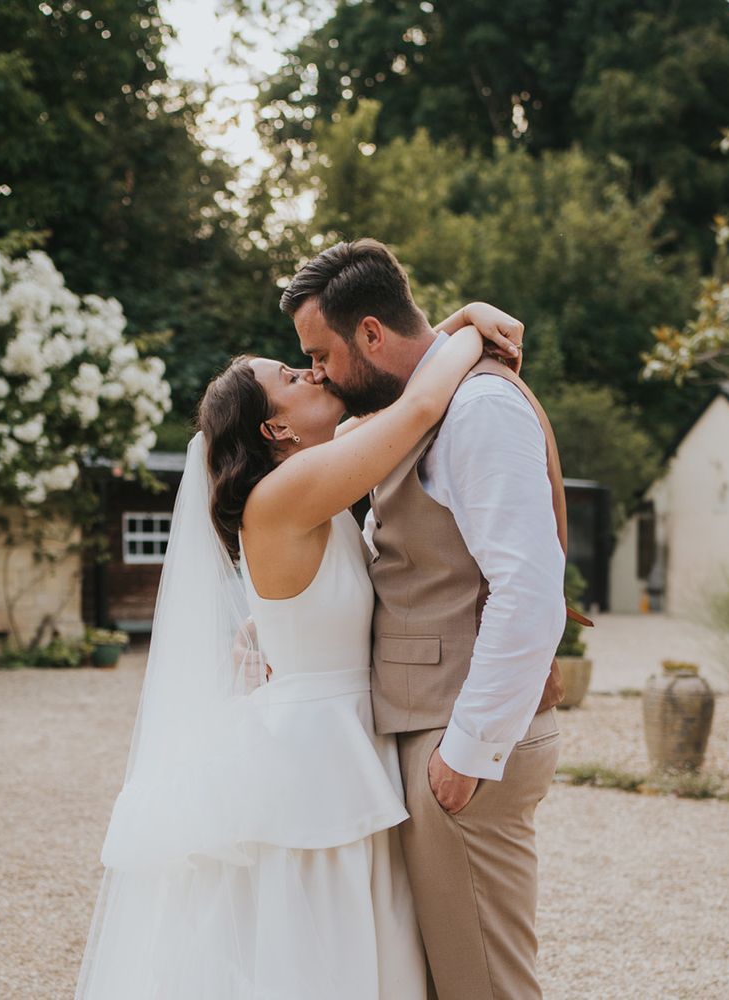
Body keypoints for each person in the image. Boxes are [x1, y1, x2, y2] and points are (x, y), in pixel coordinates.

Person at [74, 302, 524, 1000]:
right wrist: (468, 331)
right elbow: (422, 403)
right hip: (317, 756)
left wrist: (444, 325)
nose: (314, 372)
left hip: (343, 735)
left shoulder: (303, 476)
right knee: (323, 952)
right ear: (275, 427)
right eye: (292, 374)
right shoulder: (286, 493)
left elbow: (389, 401)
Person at [281, 238, 570, 1000]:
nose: (316, 374)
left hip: (463, 742)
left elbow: (530, 591)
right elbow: (413, 384)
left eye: (320, 355)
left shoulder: (479, 410)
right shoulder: (417, 409)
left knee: (487, 986)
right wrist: (464, 321)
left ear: (371, 335)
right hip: (436, 729)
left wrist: (468, 751)